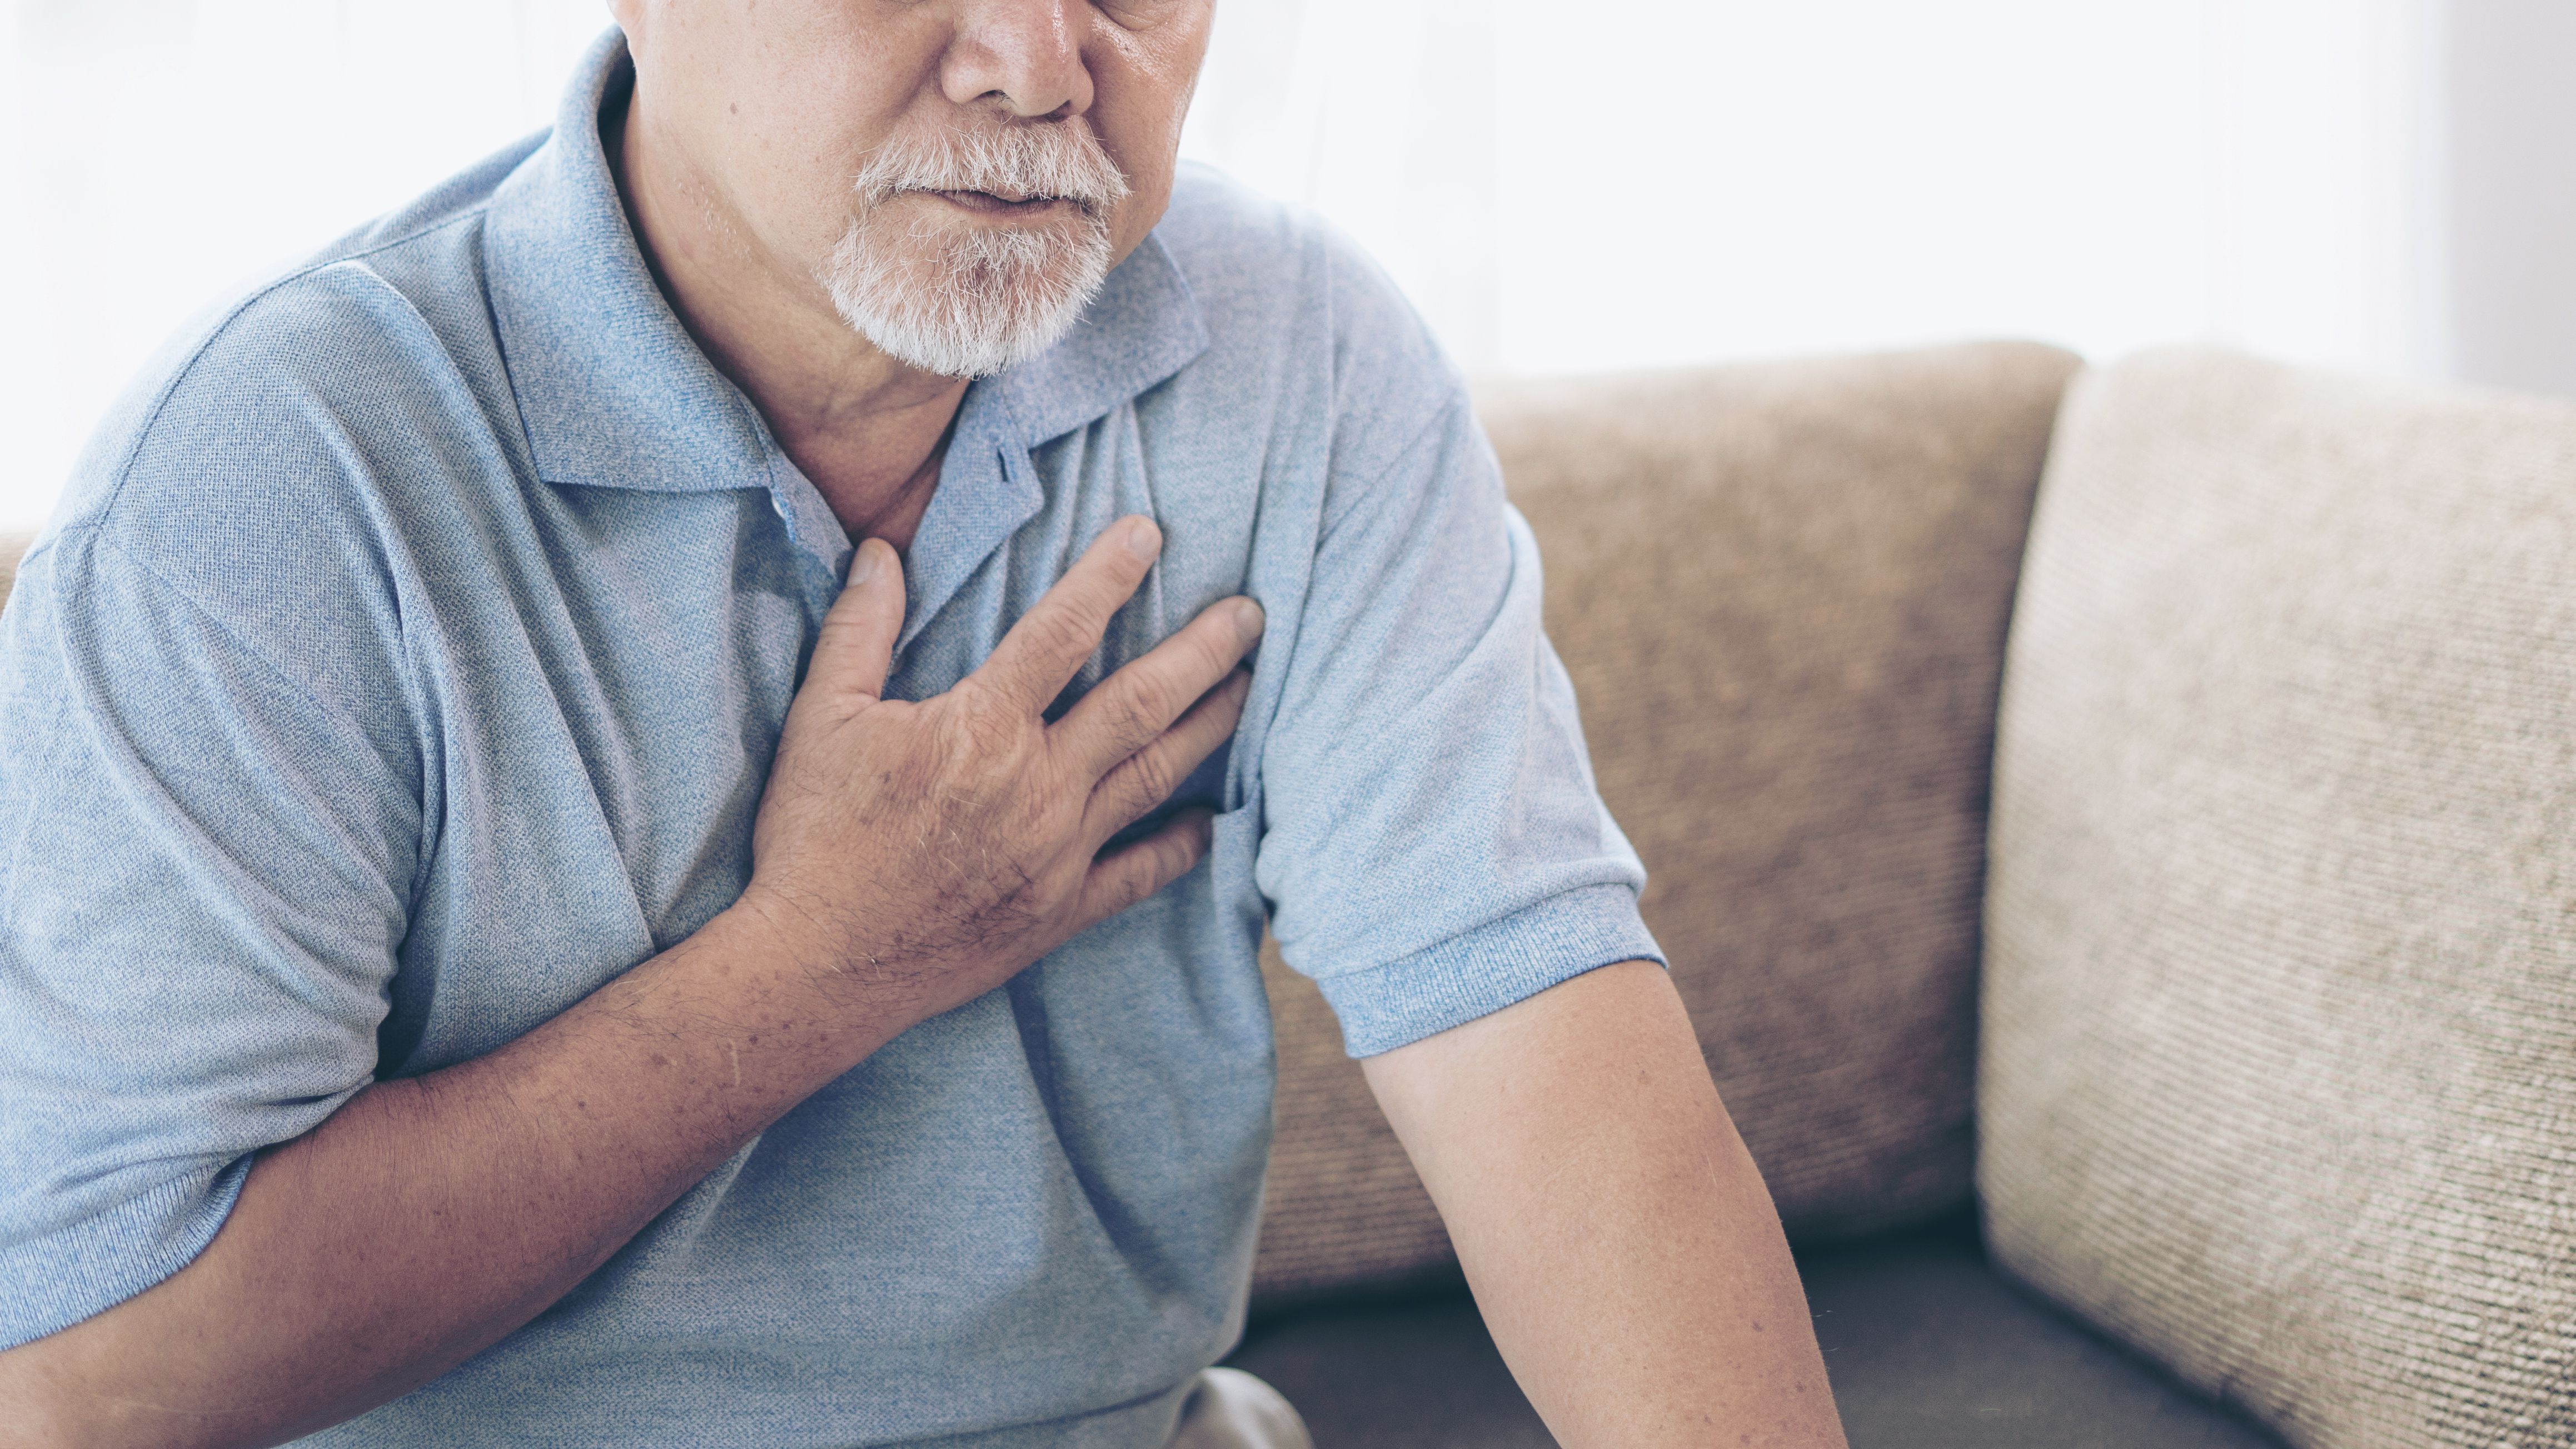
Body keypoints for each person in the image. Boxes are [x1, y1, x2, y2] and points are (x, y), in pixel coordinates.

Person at [0, 4, 1848, 1447]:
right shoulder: (276, 475)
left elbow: (1561, 1082)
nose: (1043, 62)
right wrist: (809, 975)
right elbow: (80, 1374)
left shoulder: (1305, 361)